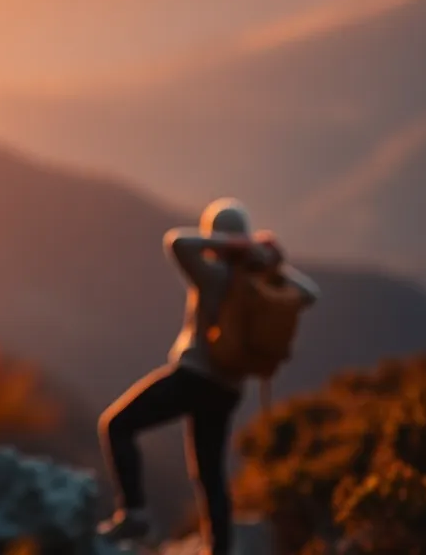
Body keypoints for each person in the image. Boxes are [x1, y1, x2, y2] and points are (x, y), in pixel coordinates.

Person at [97, 197, 318, 554]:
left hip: (194, 376)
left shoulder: (213, 274)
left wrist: (225, 244)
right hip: (228, 389)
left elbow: (176, 242)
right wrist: (267, 259)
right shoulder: (258, 281)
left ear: (218, 236)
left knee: (116, 425)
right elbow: (310, 294)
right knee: (210, 473)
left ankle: (134, 513)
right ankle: (220, 548)